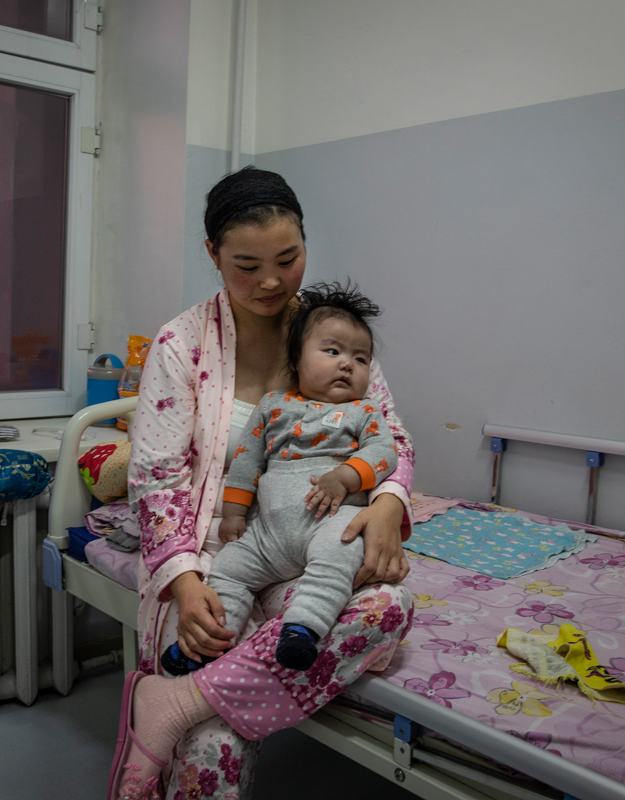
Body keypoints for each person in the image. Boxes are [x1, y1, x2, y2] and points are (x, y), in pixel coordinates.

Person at [110, 167, 416, 800]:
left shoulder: (333, 335)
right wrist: (186, 584)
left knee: (390, 606)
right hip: (217, 556)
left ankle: (176, 699)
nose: (271, 281)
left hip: (320, 547)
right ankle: (196, 712)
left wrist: (387, 502)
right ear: (213, 255)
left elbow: (392, 438)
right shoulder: (181, 343)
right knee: (212, 747)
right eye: (246, 265)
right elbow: (157, 477)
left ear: (306, 243)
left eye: (289, 258)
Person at [159, 282, 397, 675]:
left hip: (331, 522)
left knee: (338, 558)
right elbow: (247, 460)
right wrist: (235, 512)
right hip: (267, 534)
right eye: (333, 351)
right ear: (297, 359)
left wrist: (345, 476)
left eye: (360, 358)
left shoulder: (364, 411)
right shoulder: (273, 406)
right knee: (229, 568)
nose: (347, 364)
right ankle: (213, 640)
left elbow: (384, 453)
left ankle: (303, 629)